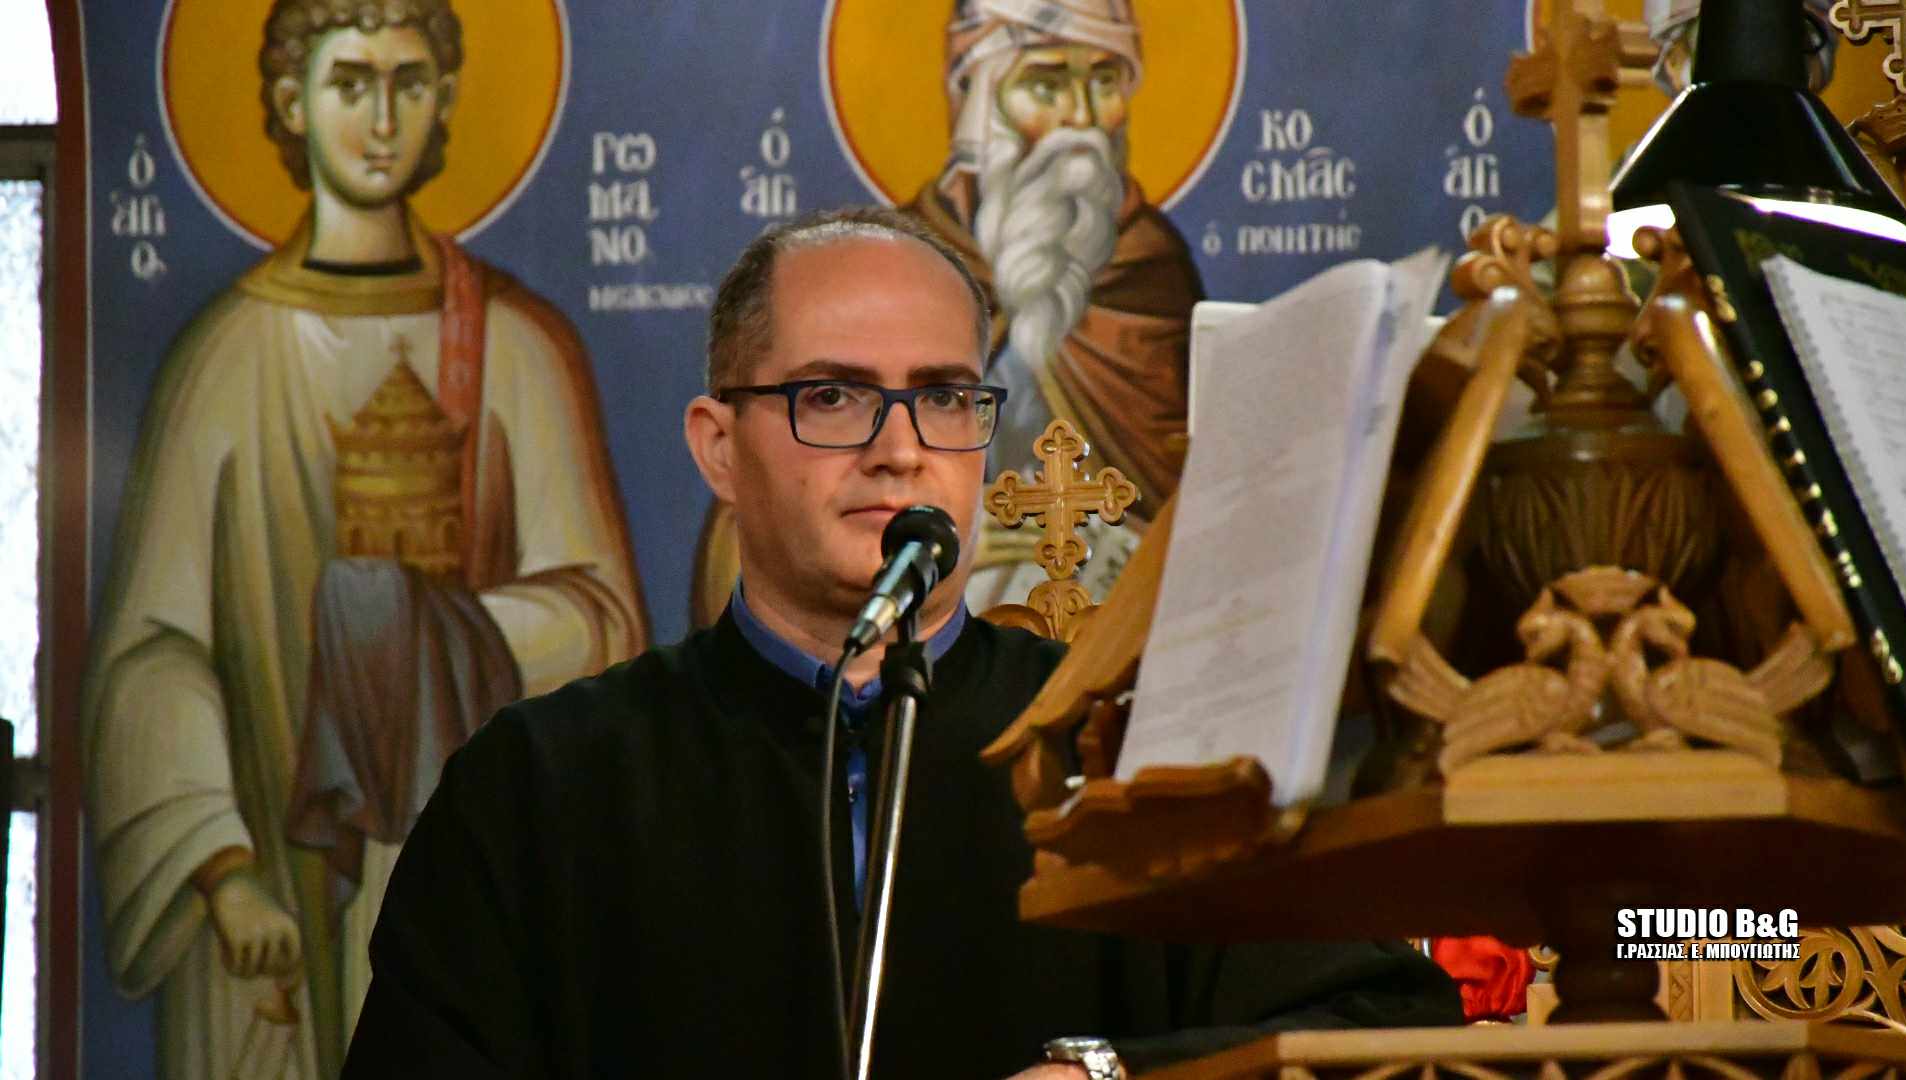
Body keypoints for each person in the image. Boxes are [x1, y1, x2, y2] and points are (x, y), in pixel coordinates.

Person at [343, 207, 1460, 1079]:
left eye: (944, 398)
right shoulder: (540, 785)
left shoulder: (1131, 747)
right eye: (833, 395)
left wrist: (1109, 1076)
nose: (899, 449)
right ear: (719, 448)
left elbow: (1380, 1027)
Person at [83, 2, 645, 1076]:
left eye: (408, 82)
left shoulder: (519, 348)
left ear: (444, 100)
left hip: (467, 878)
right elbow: (154, 653)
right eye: (350, 83)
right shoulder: (226, 359)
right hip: (268, 893)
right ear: (291, 101)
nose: (381, 120)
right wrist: (222, 869)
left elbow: (603, 620)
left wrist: (423, 636)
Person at [906, 0, 1204, 612]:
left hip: (1120, 629)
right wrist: (924, 544)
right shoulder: (896, 269)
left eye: (1105, 81)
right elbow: (793, 505)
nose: (1083, 119)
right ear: (977, 100)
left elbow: (1194, 498)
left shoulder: (1151, 276)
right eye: (1045, 85)